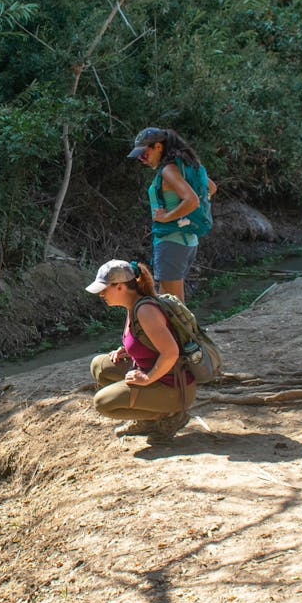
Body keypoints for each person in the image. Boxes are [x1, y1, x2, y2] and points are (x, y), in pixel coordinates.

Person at [86, 259, 196, 439]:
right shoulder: (133, 306)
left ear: (120, 286)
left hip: (175, 388)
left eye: (105, 289)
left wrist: (146, 378)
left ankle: (169, 415)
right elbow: (149, 342)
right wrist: (128, 350)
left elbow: (171, 352)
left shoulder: (145, 311)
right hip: (162, 377)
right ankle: (148, 415)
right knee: (100, 366)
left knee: (102, 403)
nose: (101, 294)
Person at [127, 127, 217, 302]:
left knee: (174, 304)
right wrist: (184, 215)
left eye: (144, 154)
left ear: (158, 147)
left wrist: (167, 217)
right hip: (186, 240)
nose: (142, 160)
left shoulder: (169, 170)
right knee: (166, 300)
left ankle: (188, 331)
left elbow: (192, 200)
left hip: (172, 241)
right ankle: (178, 330)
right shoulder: (184, 166)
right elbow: (211, 188)